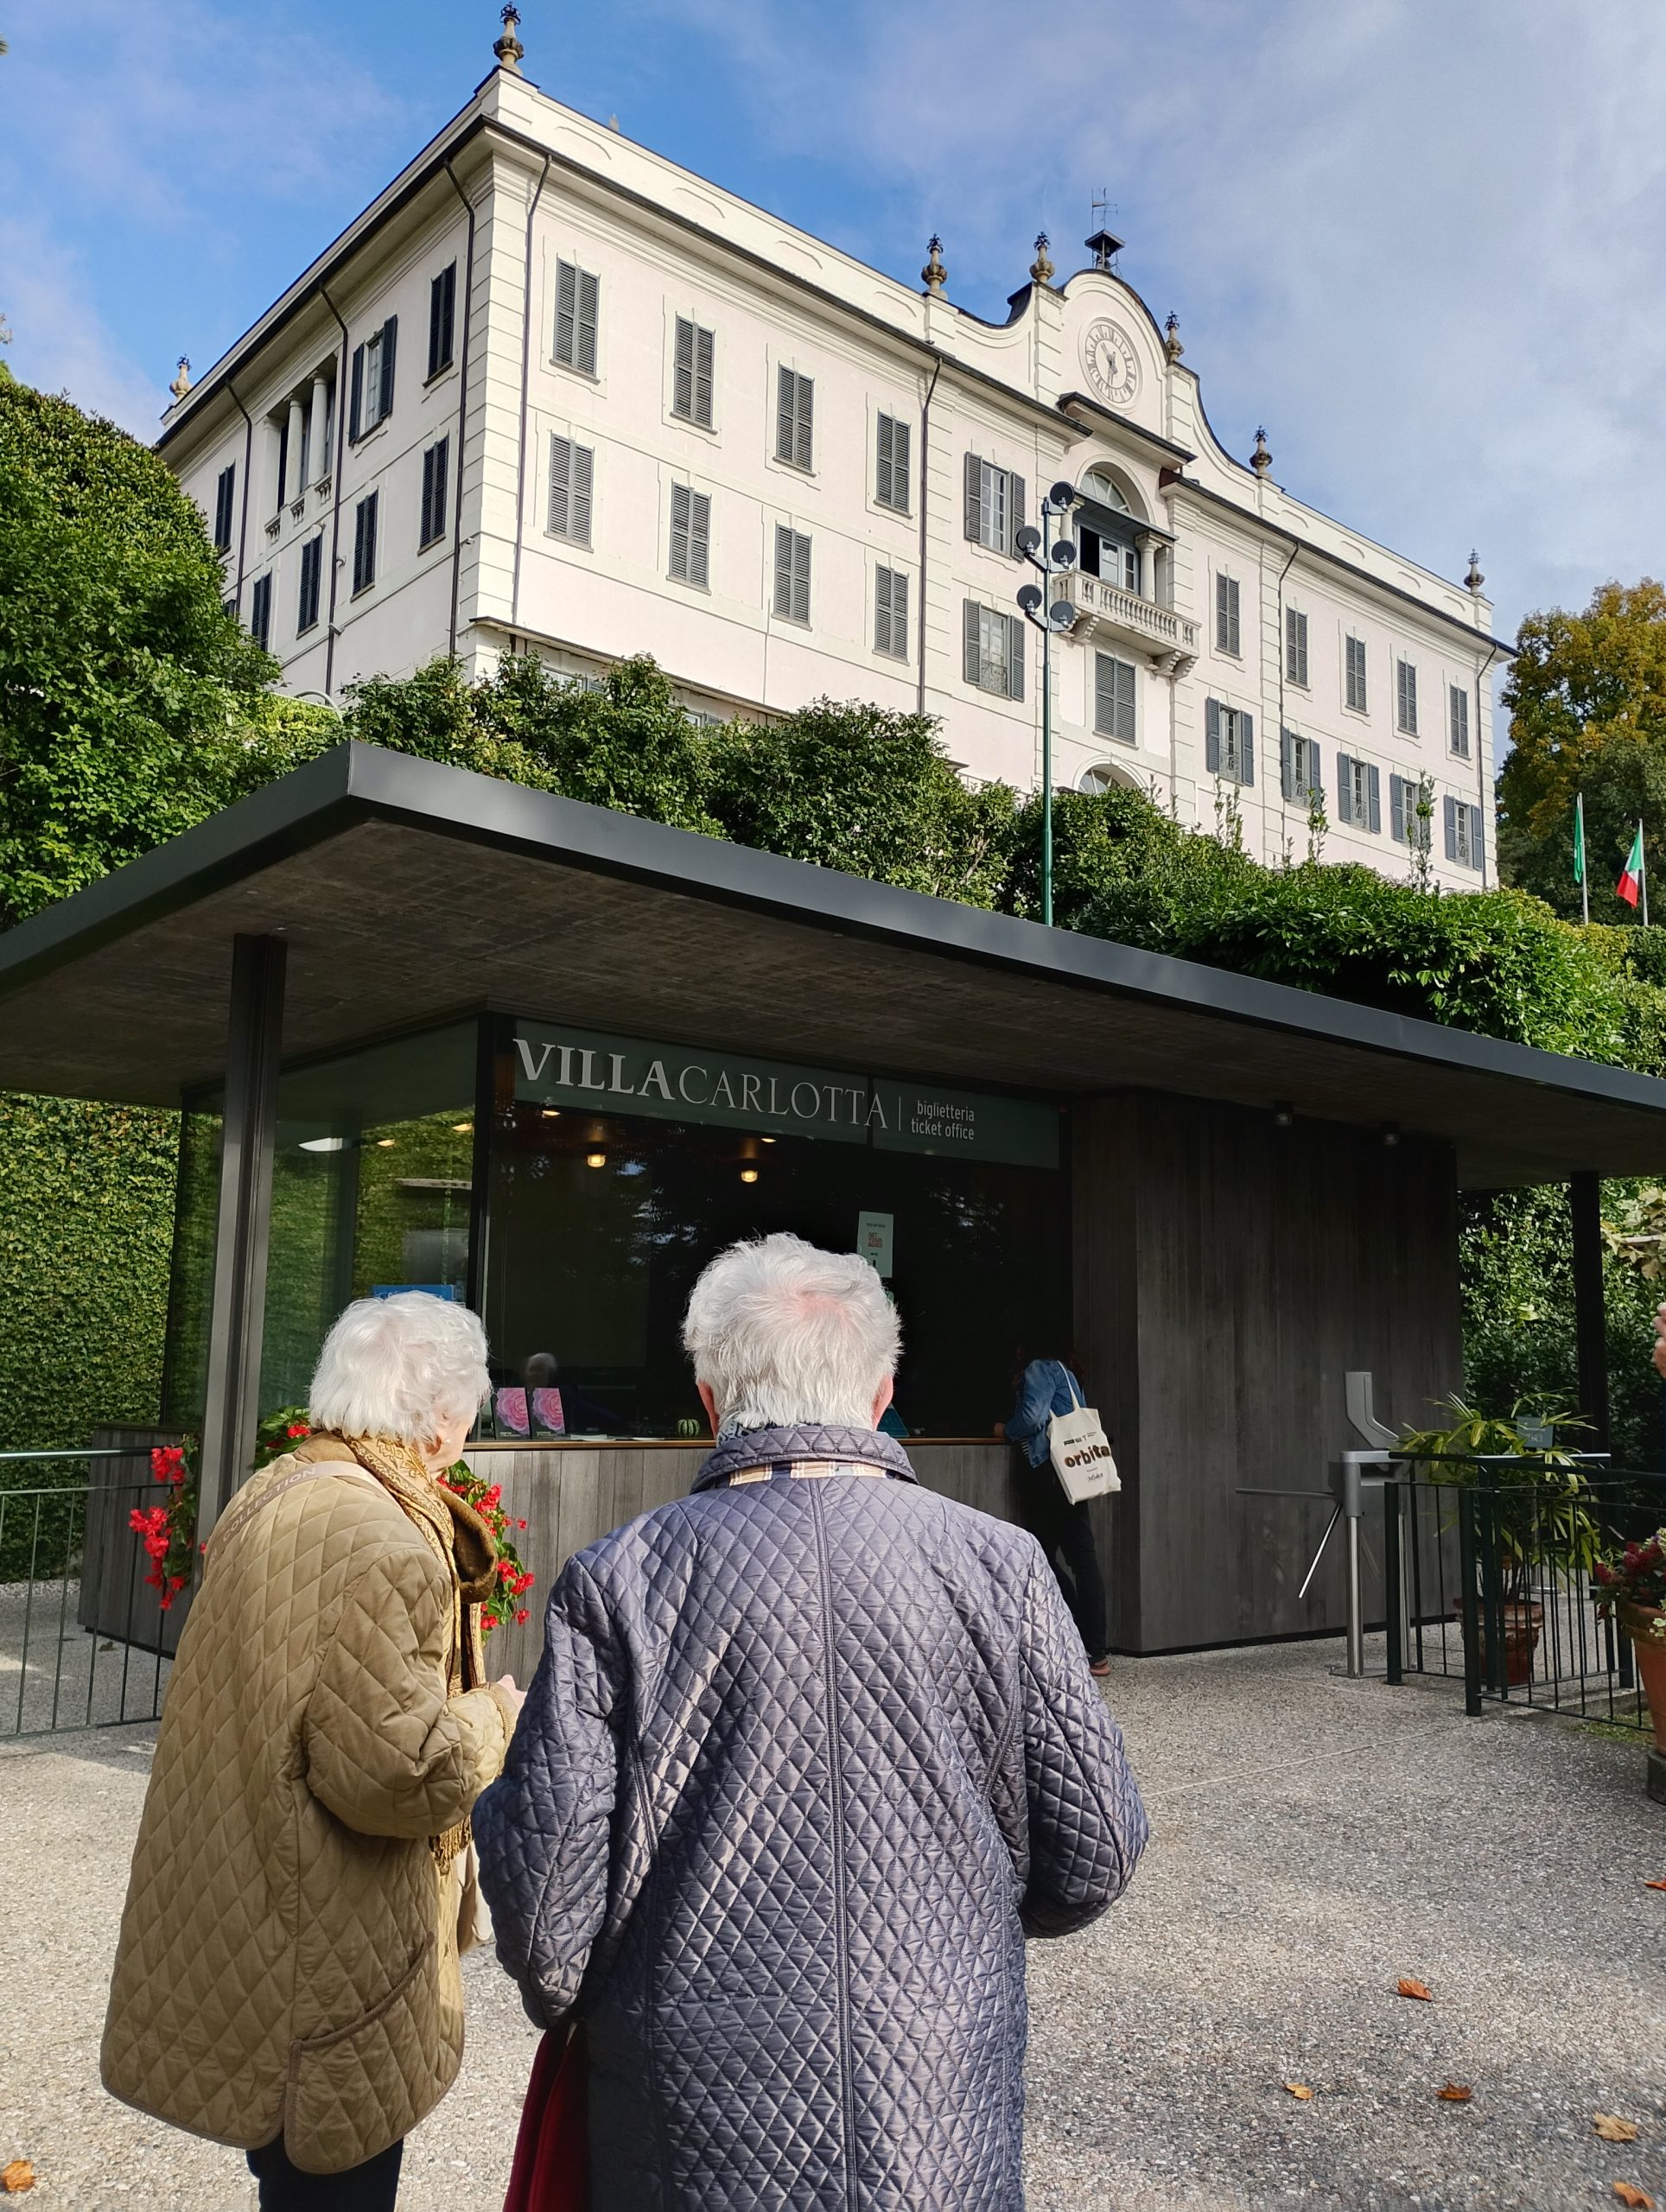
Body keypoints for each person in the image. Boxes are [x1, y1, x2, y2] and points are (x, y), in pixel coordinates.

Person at [475, 1233, 1146, 2211]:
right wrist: (972, 1921)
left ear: (710, 1400)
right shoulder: (1001, 1565)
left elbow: (547, 1923)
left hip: (687, 2117)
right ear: (880, 1394)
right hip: (933, 2091)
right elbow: (1095, 1852)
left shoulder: (617, 1579)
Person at [102, 1293, 525, 2210]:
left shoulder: (278, 1487)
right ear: (441, 1421)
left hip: (254, 1903)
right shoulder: (384, 1537)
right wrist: (494, 1716)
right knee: (334, 2178)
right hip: (329, 1956)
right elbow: (392, 1774)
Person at [998, 1348, 1113, 1676]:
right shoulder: (1066, 1371)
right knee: (1081, 1558)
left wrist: (1005, 1430)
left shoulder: (1039, 1368)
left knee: (1042, 1557)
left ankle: (1081, 1637)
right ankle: (1096, 1652)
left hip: (1050, 1474)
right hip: (1071, 1472)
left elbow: (1033, 1418)